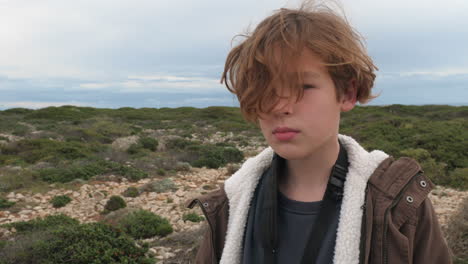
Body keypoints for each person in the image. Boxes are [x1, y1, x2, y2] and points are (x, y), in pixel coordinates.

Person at [187, 2, 452, 264]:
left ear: (347, 93)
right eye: (264, 89)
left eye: (304, 86)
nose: (279, 107)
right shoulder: (229, 204)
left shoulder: (396, 203)